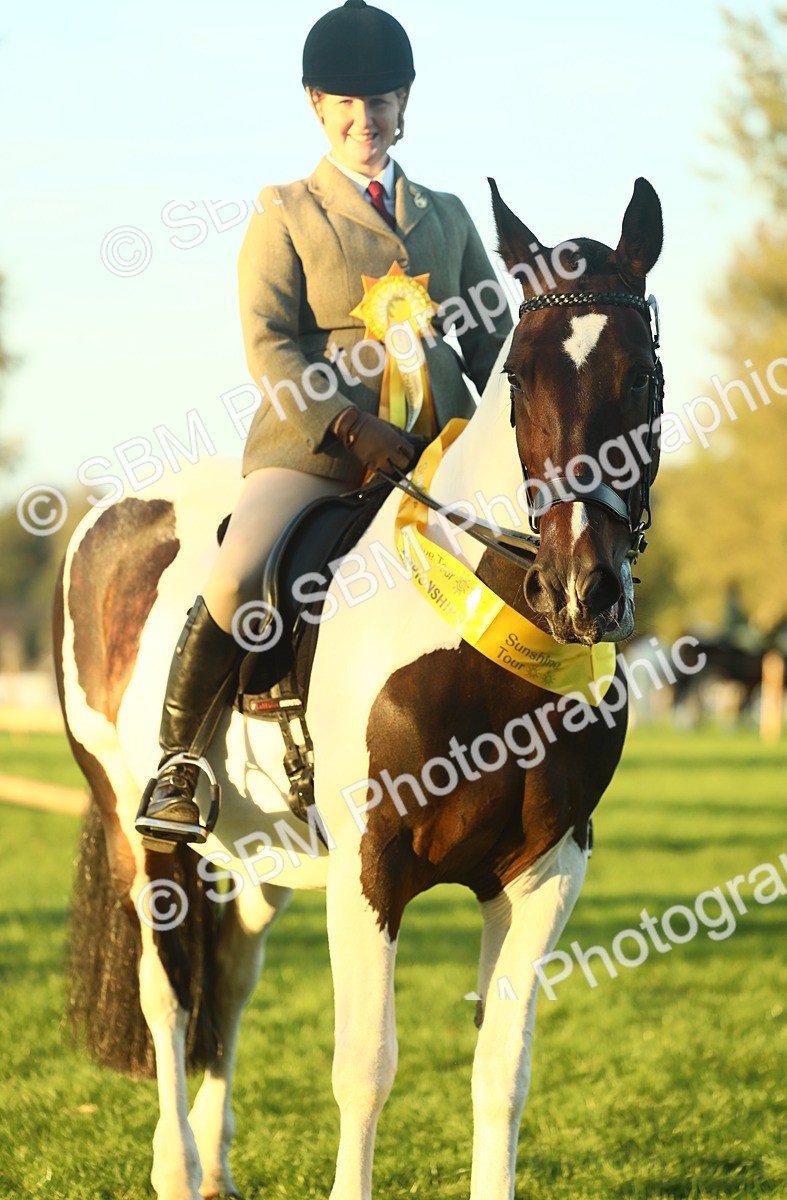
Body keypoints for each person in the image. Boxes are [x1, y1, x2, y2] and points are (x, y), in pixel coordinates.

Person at [135, 0, 513, 846]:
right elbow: (267, 343)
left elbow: (493, 343)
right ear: (316, 105)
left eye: (379, 101)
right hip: (313, 449)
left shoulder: (448, 216)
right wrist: (348, 425)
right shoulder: (283, 210)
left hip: (437, 453)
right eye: (345, 102)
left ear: (405, 104)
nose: (364, 119)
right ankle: (181, 763)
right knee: (238, 573)